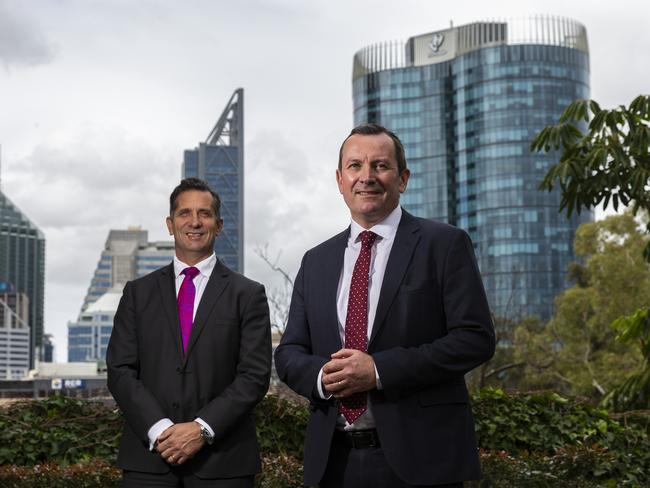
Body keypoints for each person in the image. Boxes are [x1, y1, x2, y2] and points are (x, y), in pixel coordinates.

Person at [274, 124, 495, 488]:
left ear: (403, 178)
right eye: (355, 166)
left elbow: (475, 338)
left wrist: (378, 370)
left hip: (423, 461)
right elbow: (290, 351)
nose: (367, 177)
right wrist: (322, 377)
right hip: (333, 463)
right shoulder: (316, 261)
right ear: (339, 179)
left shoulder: (444, 244)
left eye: (380, 166)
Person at [107, 177, 272, 488]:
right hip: (149, 461)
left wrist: (202, 429)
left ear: (219, 225)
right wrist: (159, 429)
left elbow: (254, 375)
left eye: (204, 214)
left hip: (224, 464)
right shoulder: (137, 293)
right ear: (170, 224)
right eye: (184, 213)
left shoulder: (248, 294)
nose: (194, 222)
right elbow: (119, 370)